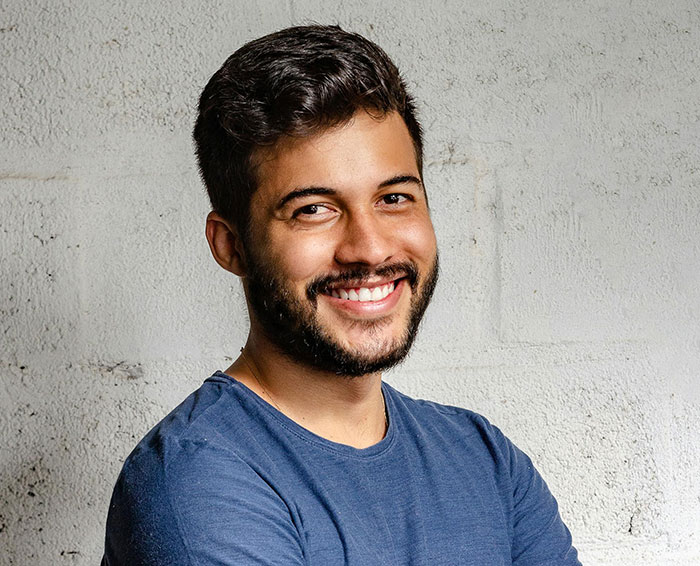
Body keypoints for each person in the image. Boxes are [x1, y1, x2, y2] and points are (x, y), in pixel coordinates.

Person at [102, 25, 581, 565]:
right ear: (232, 246)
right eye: (313, 209)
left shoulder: (485, 461)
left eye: (394, 197)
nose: (369, 248)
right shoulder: (198, 479)